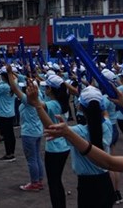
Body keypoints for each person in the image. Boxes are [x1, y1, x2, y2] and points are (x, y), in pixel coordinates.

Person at [31, 83, 115, 208]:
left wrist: (37, 105)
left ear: (80, 107)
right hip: (106, 183)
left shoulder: (79, 132)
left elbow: (51, 128)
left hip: (87, 186)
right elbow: (104, 114)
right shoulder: (107, 126)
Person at [27, 75, 73, 208]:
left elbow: (35, 104)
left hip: (54, 147)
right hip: (64, 145)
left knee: (54, 183)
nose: (44, 89)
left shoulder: (52, 104)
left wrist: (32, 96)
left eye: (46, 87)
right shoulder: (62, 103)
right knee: (57, 181)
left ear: (51, 89)